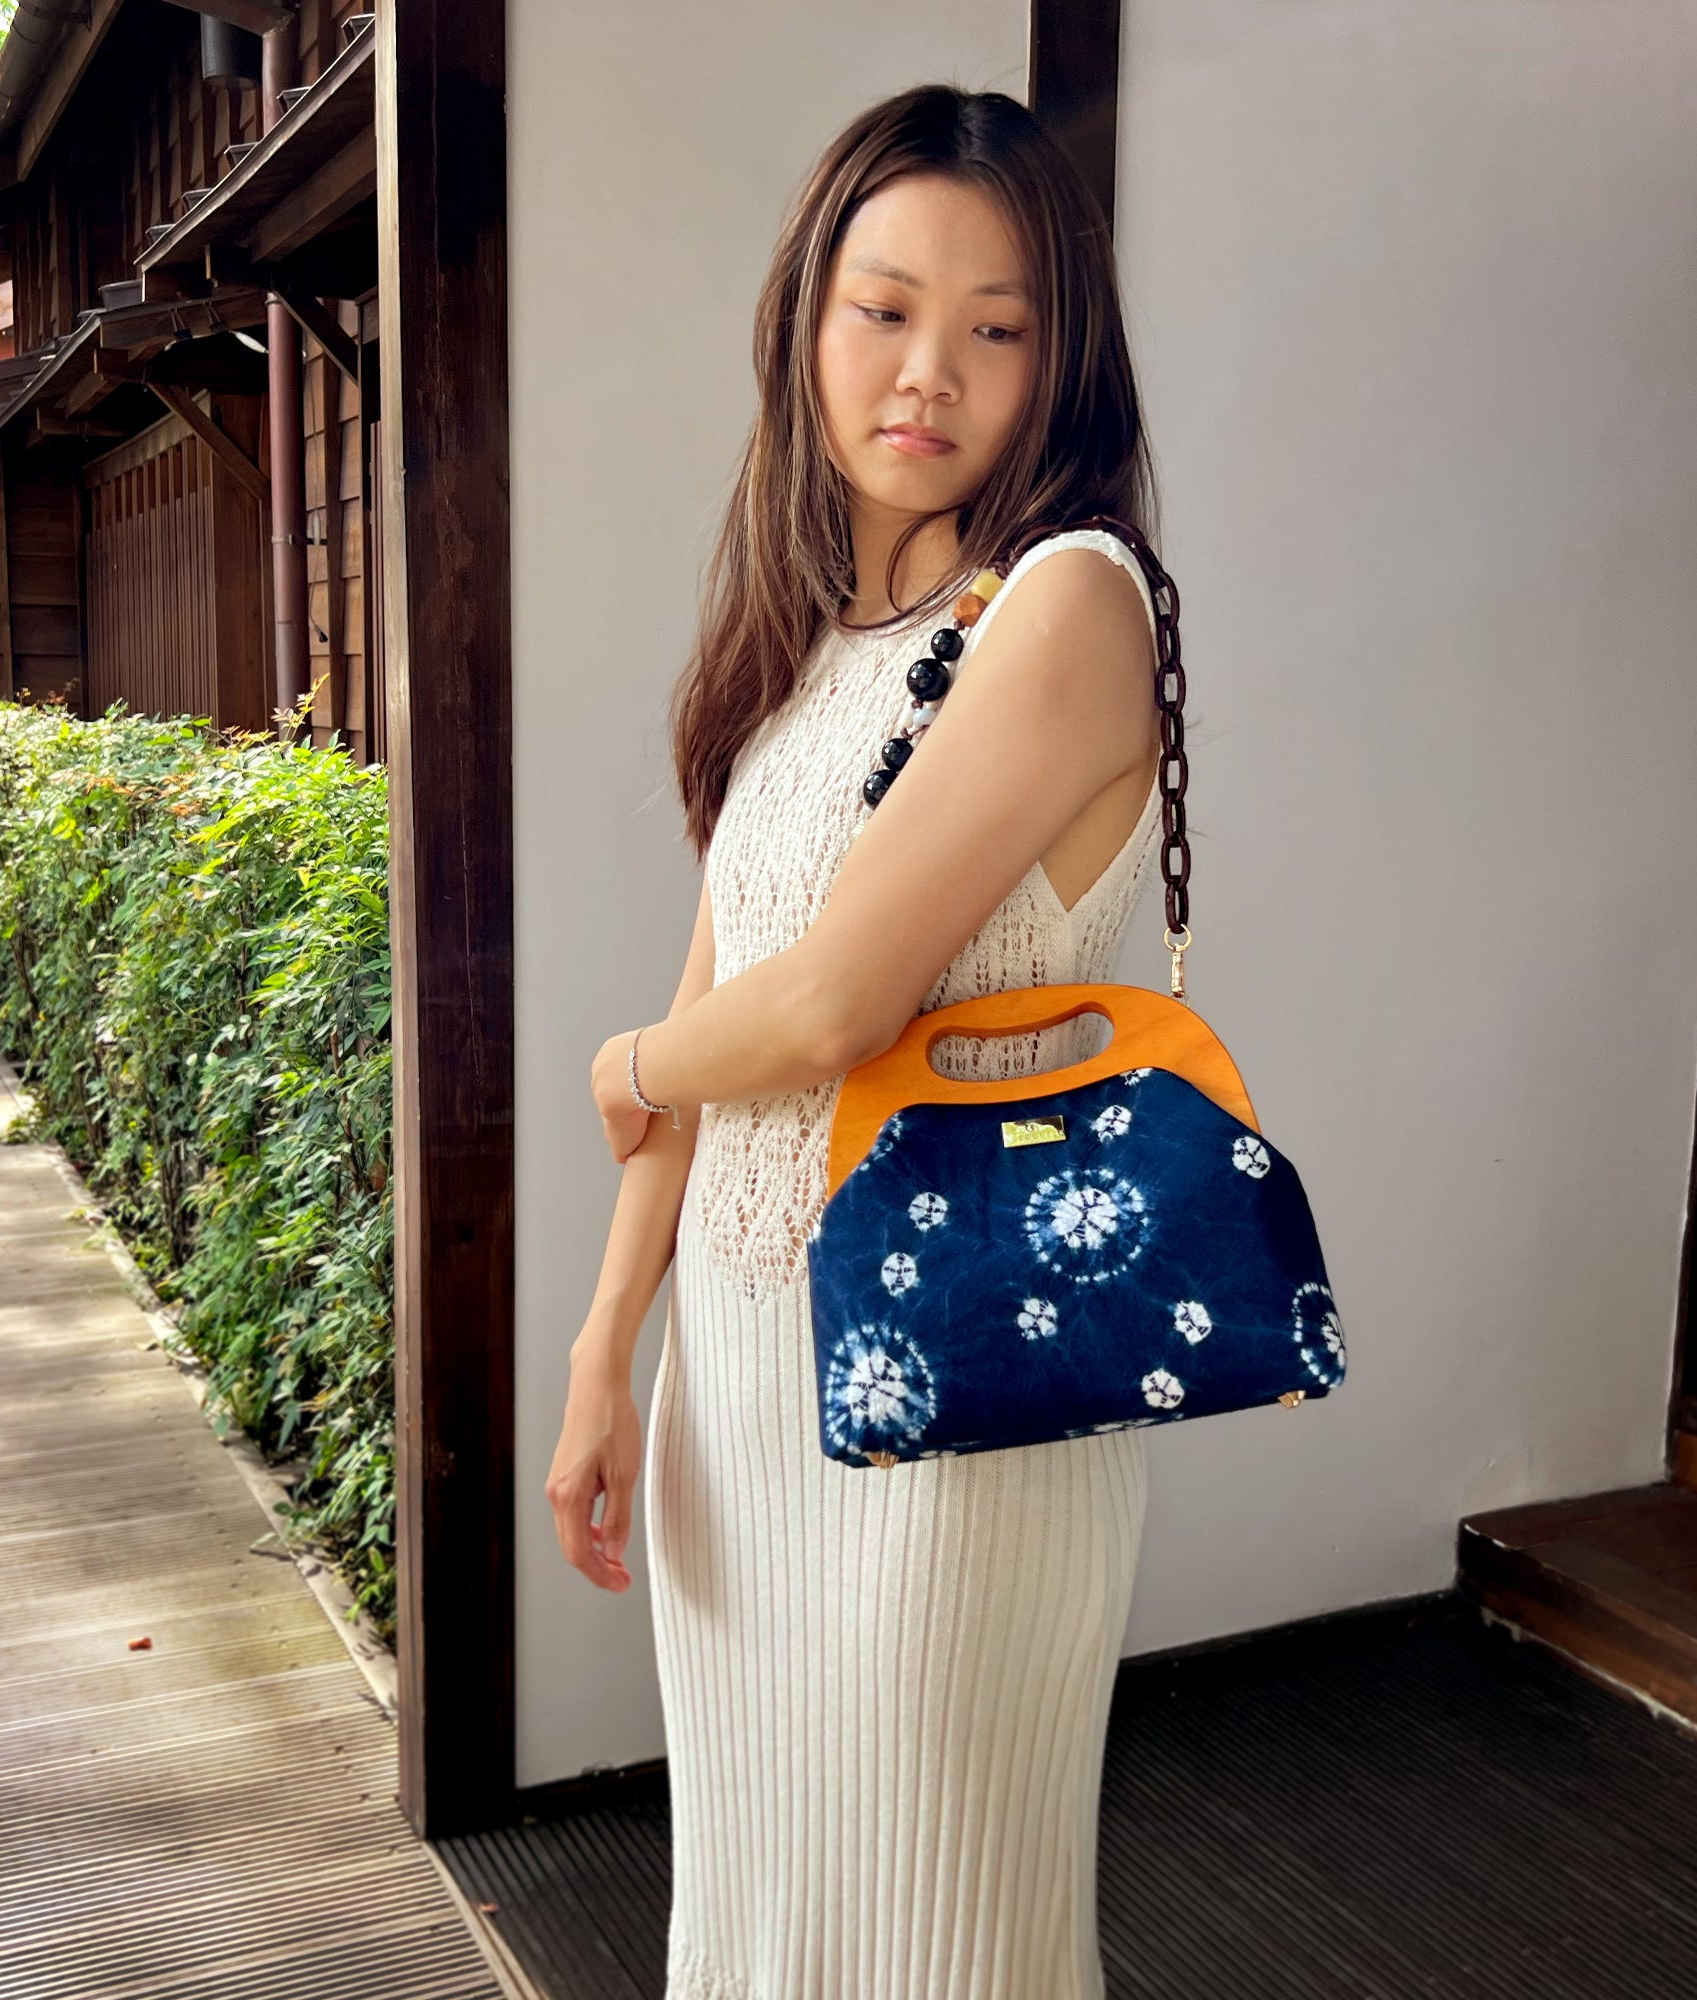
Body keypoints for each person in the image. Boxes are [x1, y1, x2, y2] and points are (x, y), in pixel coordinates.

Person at [547, 82, 1172, 2000]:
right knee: (759, 1915)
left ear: (1062, 363)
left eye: (997, 327)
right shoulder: (809, 646)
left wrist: (628, 1073)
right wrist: (605, 1345)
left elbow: (817, 1010)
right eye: (883, 308)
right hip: (741, 1387)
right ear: (805, 319)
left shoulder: (1069, 603)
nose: (929, 371)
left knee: (936, 1921)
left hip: (949, 1395)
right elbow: (720, 983)